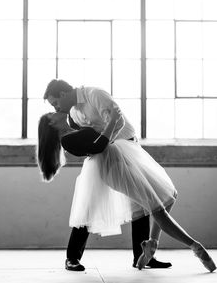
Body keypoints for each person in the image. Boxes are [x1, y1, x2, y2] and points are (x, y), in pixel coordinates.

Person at [37, 109, 216, 273]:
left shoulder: (76, 125)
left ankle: (145, 252)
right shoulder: (67, 139)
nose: (58, 111)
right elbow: (98, 146)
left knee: (142, 204)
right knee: (88, 212)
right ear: (51, 124)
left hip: (117, 159)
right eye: (53, 113)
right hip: (105, 166)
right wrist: (113, 122)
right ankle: (72, 258)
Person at [43, 79, 173, 271]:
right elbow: (90, 137)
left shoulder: (95, 94)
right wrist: (100, 147)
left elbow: (117, 120)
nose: (56, 107)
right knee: (89, 204)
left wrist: (104, 143)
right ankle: (72, 258)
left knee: (141, 201)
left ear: (63, 94)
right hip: (104, 154)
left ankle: (143, 255)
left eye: (55, 102)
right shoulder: (73, 113)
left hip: (127, 149)